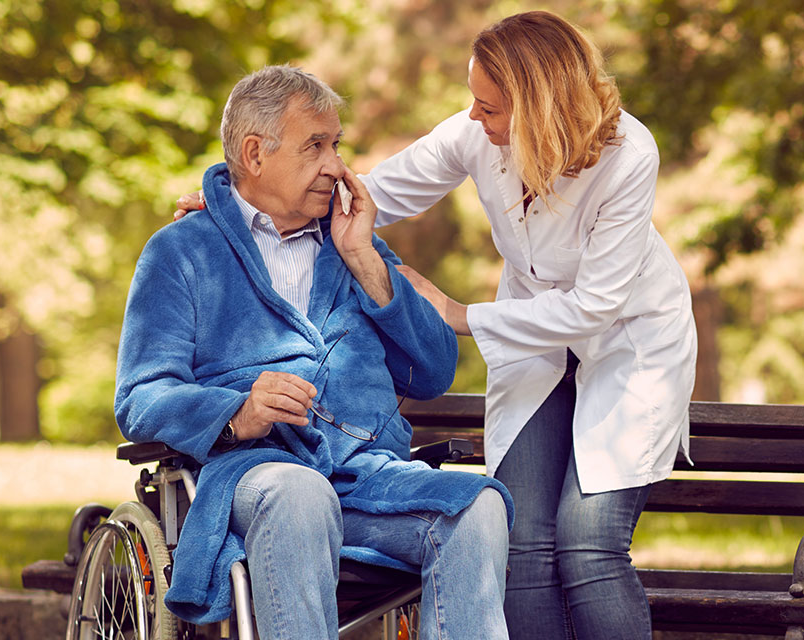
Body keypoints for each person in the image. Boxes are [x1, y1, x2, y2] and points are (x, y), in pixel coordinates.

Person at [175, 11, 696, 639]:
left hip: (626, 337)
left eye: (491, 108)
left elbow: (595, 305)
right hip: (532, 336)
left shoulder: (628, 155)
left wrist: (458, 314)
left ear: (538, 110)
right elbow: (372, 193)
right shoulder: (475, 131)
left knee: (587, 547)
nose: (474, 117)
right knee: (523, 545)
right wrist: (238, 195)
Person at [119, 65, 511, 640]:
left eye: (336, 145)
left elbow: (432, 371)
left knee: (476, 508)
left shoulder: (355, 242)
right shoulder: (182, 252)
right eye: (315, 146)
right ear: (254, 153)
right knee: (300, 494)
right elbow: (141, 396)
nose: (336, 165)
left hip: (366, 479)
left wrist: (369, 264)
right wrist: (235, 411)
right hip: (255, 475)